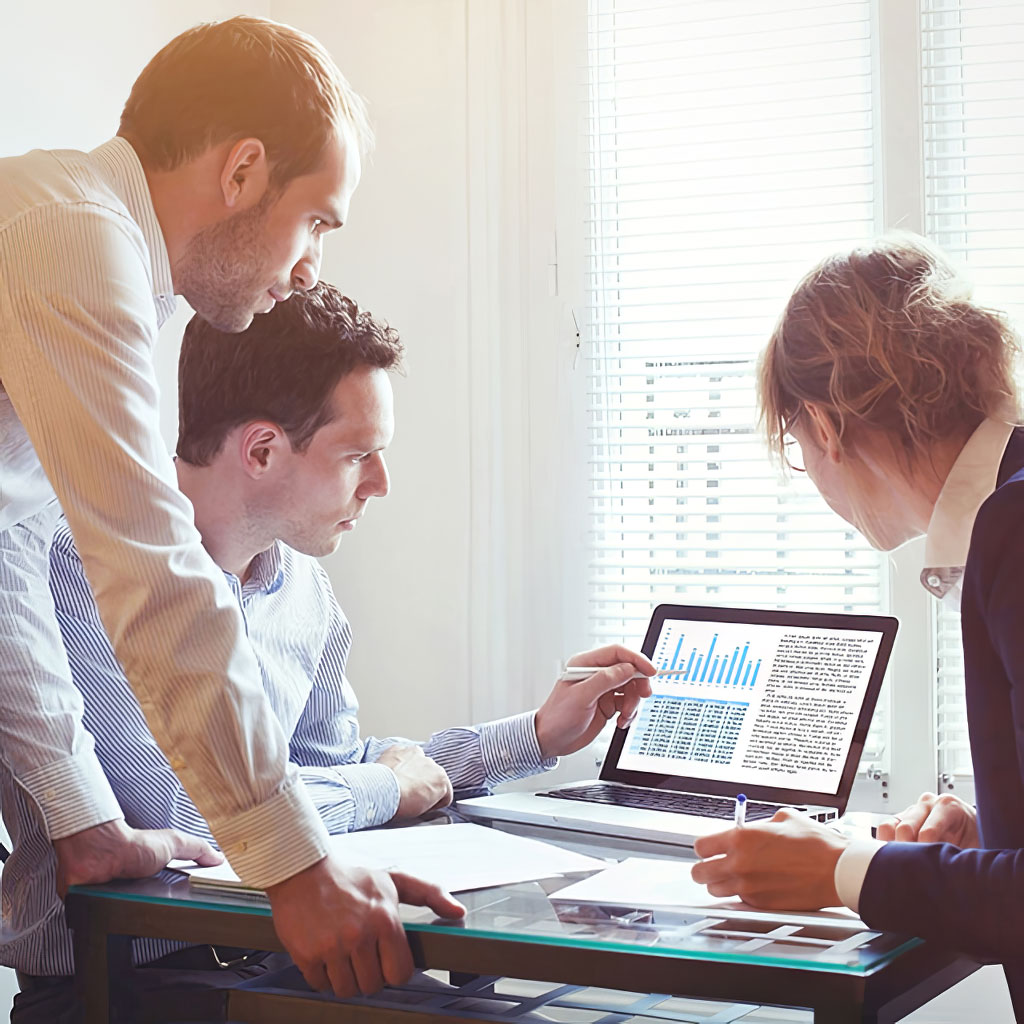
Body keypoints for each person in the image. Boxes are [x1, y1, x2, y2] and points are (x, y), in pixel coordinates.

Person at [4, 282, 654, 1021]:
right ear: (261, 450)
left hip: (294, 957)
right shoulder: (75, 563)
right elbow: (200, 814)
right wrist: (383, 786)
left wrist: (531, 736)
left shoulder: (304, 592)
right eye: (358, 456)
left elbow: (333, 778)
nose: (381, 483)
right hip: (125, 986)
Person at [0, 15, 462, 1001]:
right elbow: (153, 572)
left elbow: (3, 560)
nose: (311, 268)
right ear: (243, 170)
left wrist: (82, 823)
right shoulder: (74, 238)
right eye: (318, 222)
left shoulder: (109, 264)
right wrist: (295, 867)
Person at [689, 235, 1024, 1014]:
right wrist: (989, 834)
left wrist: (841, 871)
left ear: (825, 427)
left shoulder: (1016, 532)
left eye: (800, 452)